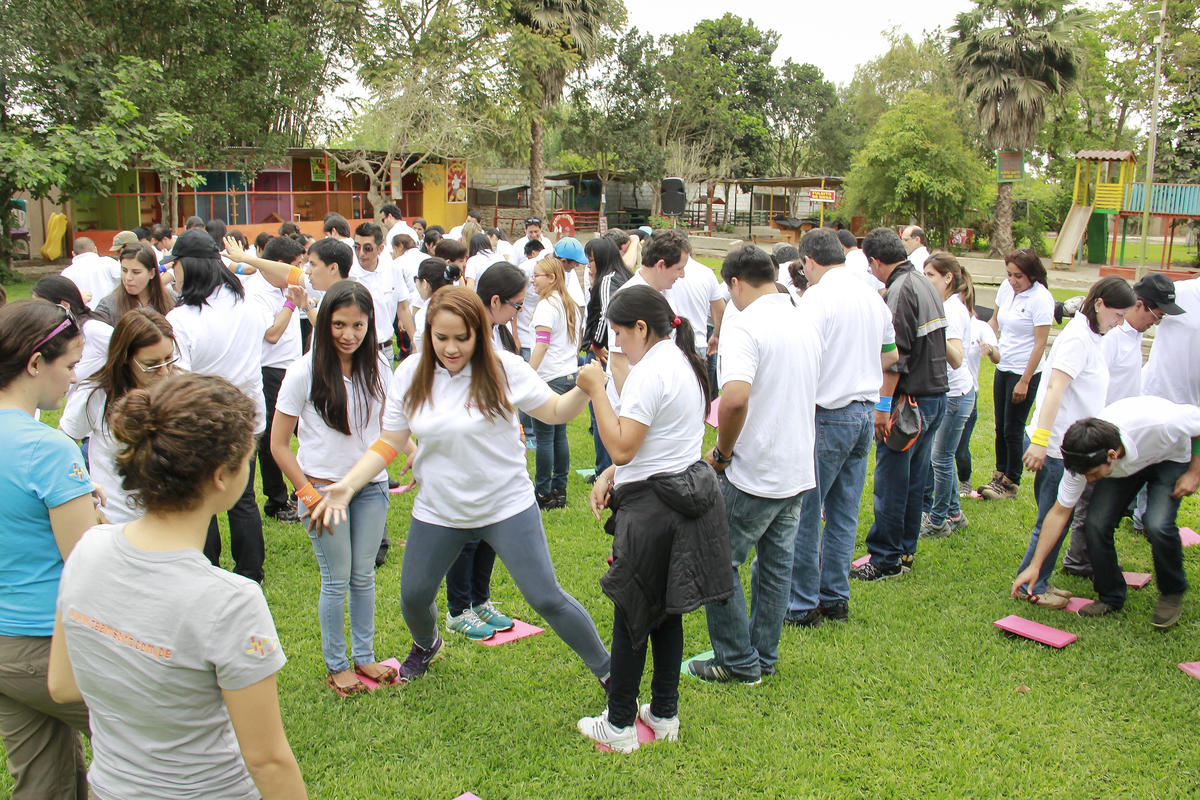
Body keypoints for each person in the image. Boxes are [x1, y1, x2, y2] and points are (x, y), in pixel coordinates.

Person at [307, 287, 611, 687]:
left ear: (479, 334)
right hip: (440, 510)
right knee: (414, 596)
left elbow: (553, 411)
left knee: (546, 597)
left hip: (506, 506)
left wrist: (586, 390)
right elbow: (389, 441)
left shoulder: (503, 368)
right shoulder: (410, 373)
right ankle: (426, 644)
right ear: (428, 333)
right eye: (441, 337)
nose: (451, 348)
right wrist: (347, 486)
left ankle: (610, 672)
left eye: (462, 338)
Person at [48, 373, 308, 800]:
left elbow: (63, 684)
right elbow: (267, 760)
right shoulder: (230, 600)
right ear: (222, 475)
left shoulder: (88, 548)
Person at [574, 285, 733, 752]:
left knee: (632, 612)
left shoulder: (648, 373)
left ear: (642, 328)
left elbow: (623, 443)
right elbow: (661, 443)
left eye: (621, 334)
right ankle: (664, 713)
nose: (617, 344)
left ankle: (619, 724)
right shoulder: (681, 361)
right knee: (667, 611)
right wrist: (611, 472)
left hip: (652, 510)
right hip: (680, 498)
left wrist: (596, 389)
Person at [693, 246, 822, 684]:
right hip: (797, 465)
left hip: (755, 469)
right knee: (775, 566)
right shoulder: (802, 316)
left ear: (735, 284)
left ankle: (736, 661)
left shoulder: (744, 323)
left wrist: (722, 454)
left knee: (717, 560)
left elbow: (734, 399)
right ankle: (762, 656)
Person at [272, 282, 398, 693]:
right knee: (336, 578)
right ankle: (337, 664)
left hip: (372, 487)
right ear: (324, 321)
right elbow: (277, 444)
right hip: (323, 492)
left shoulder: (379, 367)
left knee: (363, 576)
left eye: (357, 325)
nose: (348, 334)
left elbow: (387, 430)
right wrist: (306, 493)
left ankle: (364, 657)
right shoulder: (303, 370)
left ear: (370, 324)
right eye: (339, 324)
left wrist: (414, 452)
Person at [0, 300, 94, 800]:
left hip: (4, 648)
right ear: (35, 363)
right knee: (151, 751)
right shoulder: (47, 448)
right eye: (71, 364)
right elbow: (84, 561)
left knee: (42, 783)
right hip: (47, 644)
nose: (74, 379)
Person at [1011, 397, 1200, 627]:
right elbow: (1059, 513)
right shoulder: (1083, 458)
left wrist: (1194, 472)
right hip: (1124, 469)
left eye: (1092, 474)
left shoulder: (1163, 422)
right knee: (1096, 524)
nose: (1089, 481)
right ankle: (1110, 596)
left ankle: (1172, 592)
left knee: (1157, 524)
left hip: (1169, 459)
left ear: (1111, 455)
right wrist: (1035, 565)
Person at [787, 228, 896, 623]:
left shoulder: (817, 297)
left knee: (805, 511)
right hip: (864, 412)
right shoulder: (871, 295)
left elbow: (802, 356)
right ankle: (834, 598)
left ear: (809, 262)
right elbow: (891, 355)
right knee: (844, 514)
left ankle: (800, 605)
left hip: (828, 413)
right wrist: (857, 365)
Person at [1013, 276, 1135, 608]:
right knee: (1053, 516)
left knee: (1060, 515)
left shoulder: (1092, 336)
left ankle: (1041, 579)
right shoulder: (1078, 339)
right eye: (1117, 315)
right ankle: (1031, 585)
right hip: (1056, 448)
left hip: (1067, 445)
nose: (1119, 322)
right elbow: (1054, 390)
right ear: (1099, 304)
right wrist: (1040, 441)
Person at [164, 228, 271, 583]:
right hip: (249, 415)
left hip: (203, 421)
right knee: (243, 499)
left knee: (202, 499)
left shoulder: (181, 320)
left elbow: (179, 379)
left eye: (174, 266)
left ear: (187, 267)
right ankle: (251, 573)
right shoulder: (248, 304)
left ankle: (207, 570)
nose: (171, 274)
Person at [1061, 273, 1182, 577]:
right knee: (1088, 504)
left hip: (1123, 431)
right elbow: (1095, 383)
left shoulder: (1134, 334)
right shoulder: (1112, 336)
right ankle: (1078, 561)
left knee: (1098, 504)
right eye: (1158, 314)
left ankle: (1086, 559)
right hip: (1104, 432)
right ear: (1140, 306)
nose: (1159, 321)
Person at [437, 265, 531, 641]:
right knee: (467, 535)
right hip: (466, 450)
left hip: (495, 450)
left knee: (488, 532)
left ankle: (479, 600)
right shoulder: (464, 335)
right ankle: (458, 609)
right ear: (496, 301)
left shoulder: (496, 334)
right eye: (517, 306)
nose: (518, 313)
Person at [851, 227, 948, 582]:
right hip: (934, 399)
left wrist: (882, 406)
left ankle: (886, 558)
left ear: (875, 262)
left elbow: (894, 359)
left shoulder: (899, 291)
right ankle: (904, 550)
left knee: (892, 481)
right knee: (912, 480)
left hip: (909, 404)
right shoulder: (923, 282)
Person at [60, 309, 179, 526]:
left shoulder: (179, 390)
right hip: (115, 521)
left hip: (171, 521)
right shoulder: (95, 395)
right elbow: (60, 448)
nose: (164, 372)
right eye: (152, 364)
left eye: (169, 359)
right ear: (124, 358)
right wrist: (85, 497)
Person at [981, 248, 1055, 499]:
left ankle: (1011, 481)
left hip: (1025, 372)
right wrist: (985, 340)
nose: (1013, 281)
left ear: (1033, 275)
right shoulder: (1006, 288)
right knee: (1000, 426)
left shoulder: (1041, 298)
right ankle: (999, 474)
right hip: (1004, 366)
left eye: (1019, 276)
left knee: (1014, 428)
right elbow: (994, 321)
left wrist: (1025, 380)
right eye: (1009, 274)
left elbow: (1040, 343)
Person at [244, 235, 308, 524]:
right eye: (295, 267)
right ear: (279, 265)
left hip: (294, 367)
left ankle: (310, 485)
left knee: (308, 429)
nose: (299, 273)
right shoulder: (254, 292)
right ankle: (277, 500)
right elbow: (270, 335)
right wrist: (291, 304)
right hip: (270, 371)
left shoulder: (288, 287)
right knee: (273, 438)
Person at [919, 253, 971, 538]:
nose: (925, 281)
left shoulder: (949, 310)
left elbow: (957, 358)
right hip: (954, 393)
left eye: (931, 276)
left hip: (955, 394)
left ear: (948, 278)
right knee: (942, 458)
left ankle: (938, 520)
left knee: (939, 459)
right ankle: (954, 512)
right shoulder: (947, 306)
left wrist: (933, 328)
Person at [528, 256, 582, 509]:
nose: (532, 280)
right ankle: (559, 489)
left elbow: (542, 344)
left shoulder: (547, 305)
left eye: (536, 275)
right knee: (559, 436)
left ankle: (542, 493)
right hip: (569, 376)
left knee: (545, 437)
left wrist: (527, 375)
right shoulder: (569, 303)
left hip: (550, 379)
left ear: (551, 278)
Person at [583, 237, 632, 476]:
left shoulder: (607, 281)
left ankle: (604, 469)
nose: (588, 265)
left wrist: (595, 343)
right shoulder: (624, 275)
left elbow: (605, 315)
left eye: (591, 260)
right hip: (614, 355)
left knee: (602, 415)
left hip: (602, 356)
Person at [31, 276, 114, 408]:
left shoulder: (93, 329)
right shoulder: (61, 336)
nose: (37, 314)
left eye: (42, 307)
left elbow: (132, 351)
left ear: (64, 305)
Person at [955, 274, 1000, 497]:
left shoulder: (979, 326)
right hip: (940, 393)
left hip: (966, 396)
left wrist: (989, 350)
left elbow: (997, 356)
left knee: (960, 448)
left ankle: (964, 481)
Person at [350, 221, 416, 366]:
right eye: (357, 247)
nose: (361, 253)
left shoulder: (392, 269)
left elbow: (403, 307)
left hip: (385, 349)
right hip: (356, 349)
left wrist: (414, 341)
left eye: (367, 248)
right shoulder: (349, 274)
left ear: (380, 248)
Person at [95, 243, 173, 324]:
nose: (128, 278)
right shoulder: (108, 306)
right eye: (124, 270)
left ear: (152, 273)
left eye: (136, 272)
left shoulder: (172, 301)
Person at [411, 258, 463, 355]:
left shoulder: (425, 313)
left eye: (417, 279)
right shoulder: (460, 304)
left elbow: (431, 348)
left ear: (425, 284)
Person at [61, 236, 119, 311]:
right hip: (110, 312)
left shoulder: (66, 273)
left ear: (73, 254)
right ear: (95, 249)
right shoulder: (108, 262)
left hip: (82, 317)